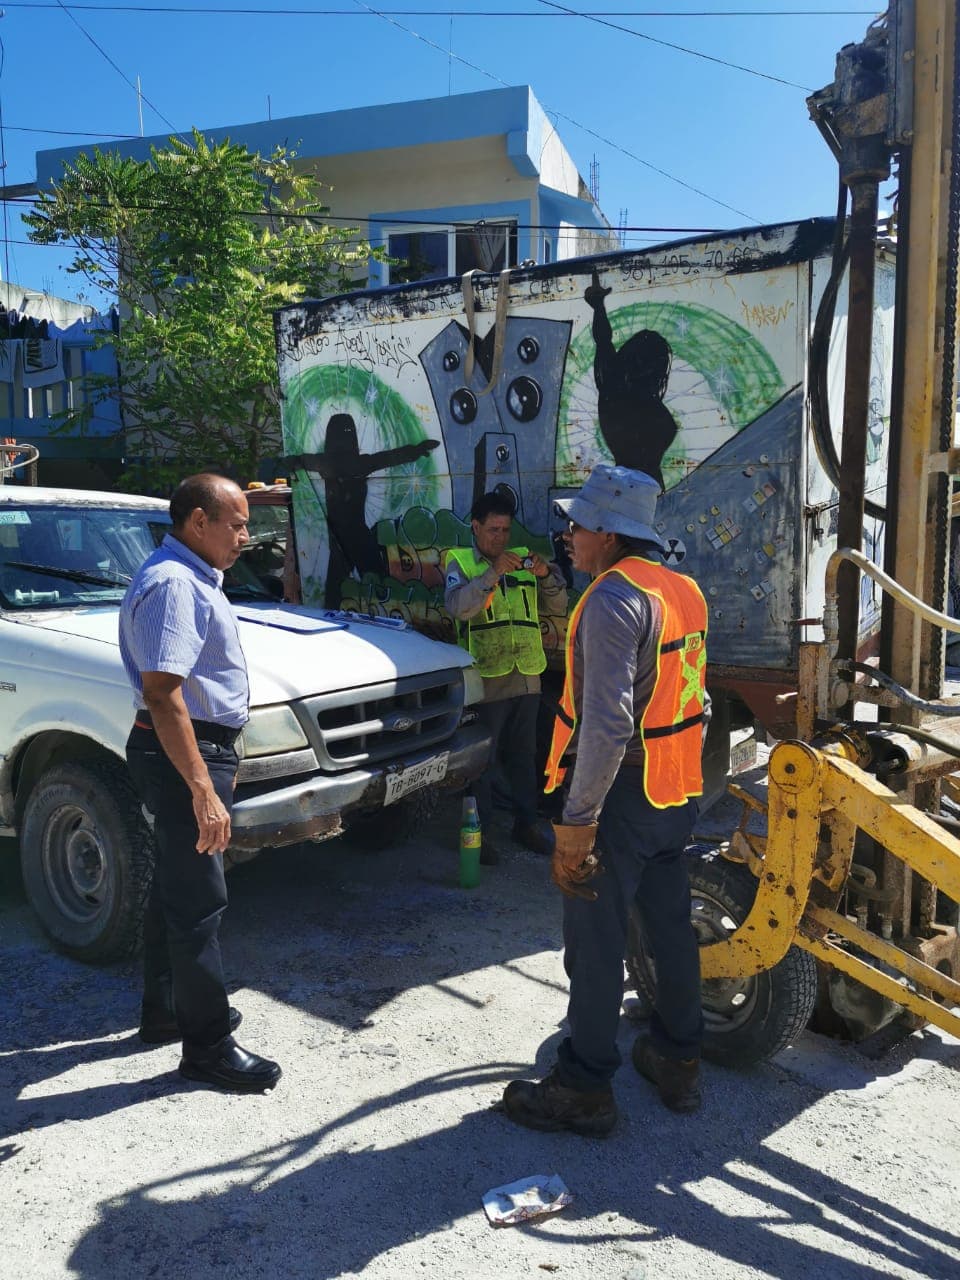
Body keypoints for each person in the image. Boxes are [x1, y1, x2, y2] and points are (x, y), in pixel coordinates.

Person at [500, 464, 709, 1136]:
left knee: (595, 943)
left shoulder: (613, 599)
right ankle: (678, 1060)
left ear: (610, 534)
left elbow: (608, 726)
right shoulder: (682, 589)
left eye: (579, 524)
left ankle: (584, 1088)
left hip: (622, 794)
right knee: (669, 929)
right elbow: (695, 698)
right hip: (674, 790)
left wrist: (578, 821)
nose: (568, 534)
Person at [120, 473, 282, 1094]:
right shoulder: (174, 583)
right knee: (199, 904)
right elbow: (164, 694)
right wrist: (202, 787)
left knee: (176, 887)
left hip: (191, 748)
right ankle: (208, 1048)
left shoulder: (189, 575)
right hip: (182, 753)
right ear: (197, 522)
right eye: (236, 524)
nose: (245, 536)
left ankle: (167, 1010)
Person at [444, 491, 567, 862]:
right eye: (493, 530)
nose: (501, 537)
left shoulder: (524, 561)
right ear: (476, 527)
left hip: (527, 674)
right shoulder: (461, 562)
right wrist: (492, 573)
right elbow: (458, 608)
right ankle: (478, 834)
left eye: (505, 530)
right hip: (487, 677)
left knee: (524, 756)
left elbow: (559, 604)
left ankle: (526, 824)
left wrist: (546, 575)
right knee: (482, 760)